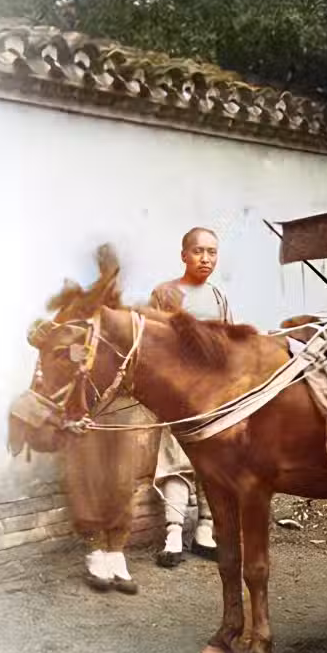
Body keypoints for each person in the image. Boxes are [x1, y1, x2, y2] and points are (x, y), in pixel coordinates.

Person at [148, 226, 233, 567]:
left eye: (212, 252)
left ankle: (205, 532)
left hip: (214, 395)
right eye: (198, 251)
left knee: (213, 462)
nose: (205, 258)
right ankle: (173, 536)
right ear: (184, 255)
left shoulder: (218, 297)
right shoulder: (164, 293)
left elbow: (229, 343)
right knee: (176, 459)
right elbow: (152, 345)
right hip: (178, 394)